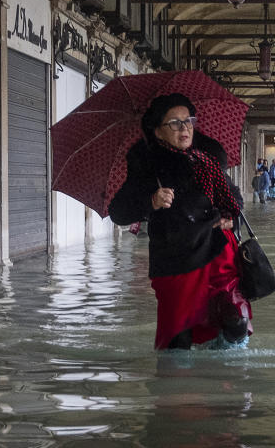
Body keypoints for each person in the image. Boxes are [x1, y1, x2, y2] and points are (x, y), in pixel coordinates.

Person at [108, 93, 252, 350]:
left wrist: (230, 218)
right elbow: (118, 212)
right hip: (174, 262)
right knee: (178, 339)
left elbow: (234, 199)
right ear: (158, 131)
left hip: (217, 254)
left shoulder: (208, 159)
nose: (184, 128)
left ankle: (226, 382)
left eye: (188, 120)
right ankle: (177, 385)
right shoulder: (146, 164)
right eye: (174, 122)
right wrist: (150, 201)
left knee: (235, 322)